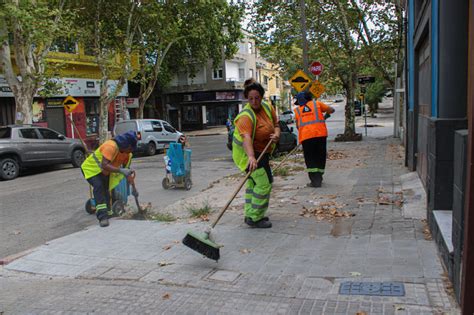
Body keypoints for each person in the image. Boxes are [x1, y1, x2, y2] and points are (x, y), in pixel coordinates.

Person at [232, 82, 280, 228]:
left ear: (261, 97)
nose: (254, 102)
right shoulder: (245, 116)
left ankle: (250, 214)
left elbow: (277, 124)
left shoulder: (267, 107)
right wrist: (251, 157)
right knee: (264, 184)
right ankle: (256, 218)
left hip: (263, 152)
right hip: (247, 156)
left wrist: (277, 134)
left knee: (253, 184)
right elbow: (246, 137)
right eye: (250, 99)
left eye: (257, 98)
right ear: (246, 98)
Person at [81, 131, 137, 227]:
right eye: (130, 148)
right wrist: (120, 170)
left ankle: (109, 213)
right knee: (99, 187)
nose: (131, 151)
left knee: (106, 191)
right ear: (126, 145)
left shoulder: (128, 155)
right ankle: (102, 218)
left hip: (105, 171)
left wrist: (134, 189)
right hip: (91, 169)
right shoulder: (111, 146)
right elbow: (104, 165)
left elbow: (127, 173)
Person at [293, 91, 335, 188]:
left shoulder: (297, 111)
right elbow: (332, 110)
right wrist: (325, 115)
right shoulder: (318, 104)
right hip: (320, 135)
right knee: (320, 156)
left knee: (310, 159)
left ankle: (315, 180)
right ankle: (319, 177)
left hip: (306, 138)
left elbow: (298, 126)